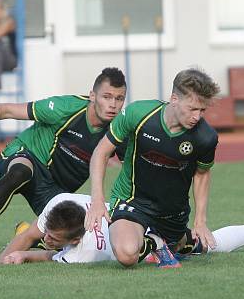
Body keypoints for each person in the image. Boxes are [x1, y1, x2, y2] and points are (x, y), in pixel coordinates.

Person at [0, 68, 126, 259]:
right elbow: (7, 109)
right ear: (93, 96)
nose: (113, 105)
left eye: (119, 99)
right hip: (27, 155)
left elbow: (132, 169)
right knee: (20, 172)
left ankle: (25, 233)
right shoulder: (64, 108)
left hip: (53, 190)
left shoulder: (121, 128)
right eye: (107, 97)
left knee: (66, 235)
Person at [85, 68, 221, 268]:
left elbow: (201, 174)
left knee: (186, 246)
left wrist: (200, 220)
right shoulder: (139, 114)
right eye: (192, 109)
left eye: (202, 110)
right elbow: (101, 152)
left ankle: (177, 241)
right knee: (126, 254)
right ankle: (157, 243)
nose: (197, 117)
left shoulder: (206, 137)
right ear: (174, 99)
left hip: (173, 209)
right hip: (133, 200)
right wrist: (98, 200)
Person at [0, 193, 244, 266]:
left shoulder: (84, 254)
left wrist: (25, 256)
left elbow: (48, 257)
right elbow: (31, 236)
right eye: (47, 234)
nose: (44, 240)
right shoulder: (63, 203)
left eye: (54, 239)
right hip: (141, 215)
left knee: (204, 247)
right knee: (198, 242)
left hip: (148, 240)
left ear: (75, 239)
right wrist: (14, 254)